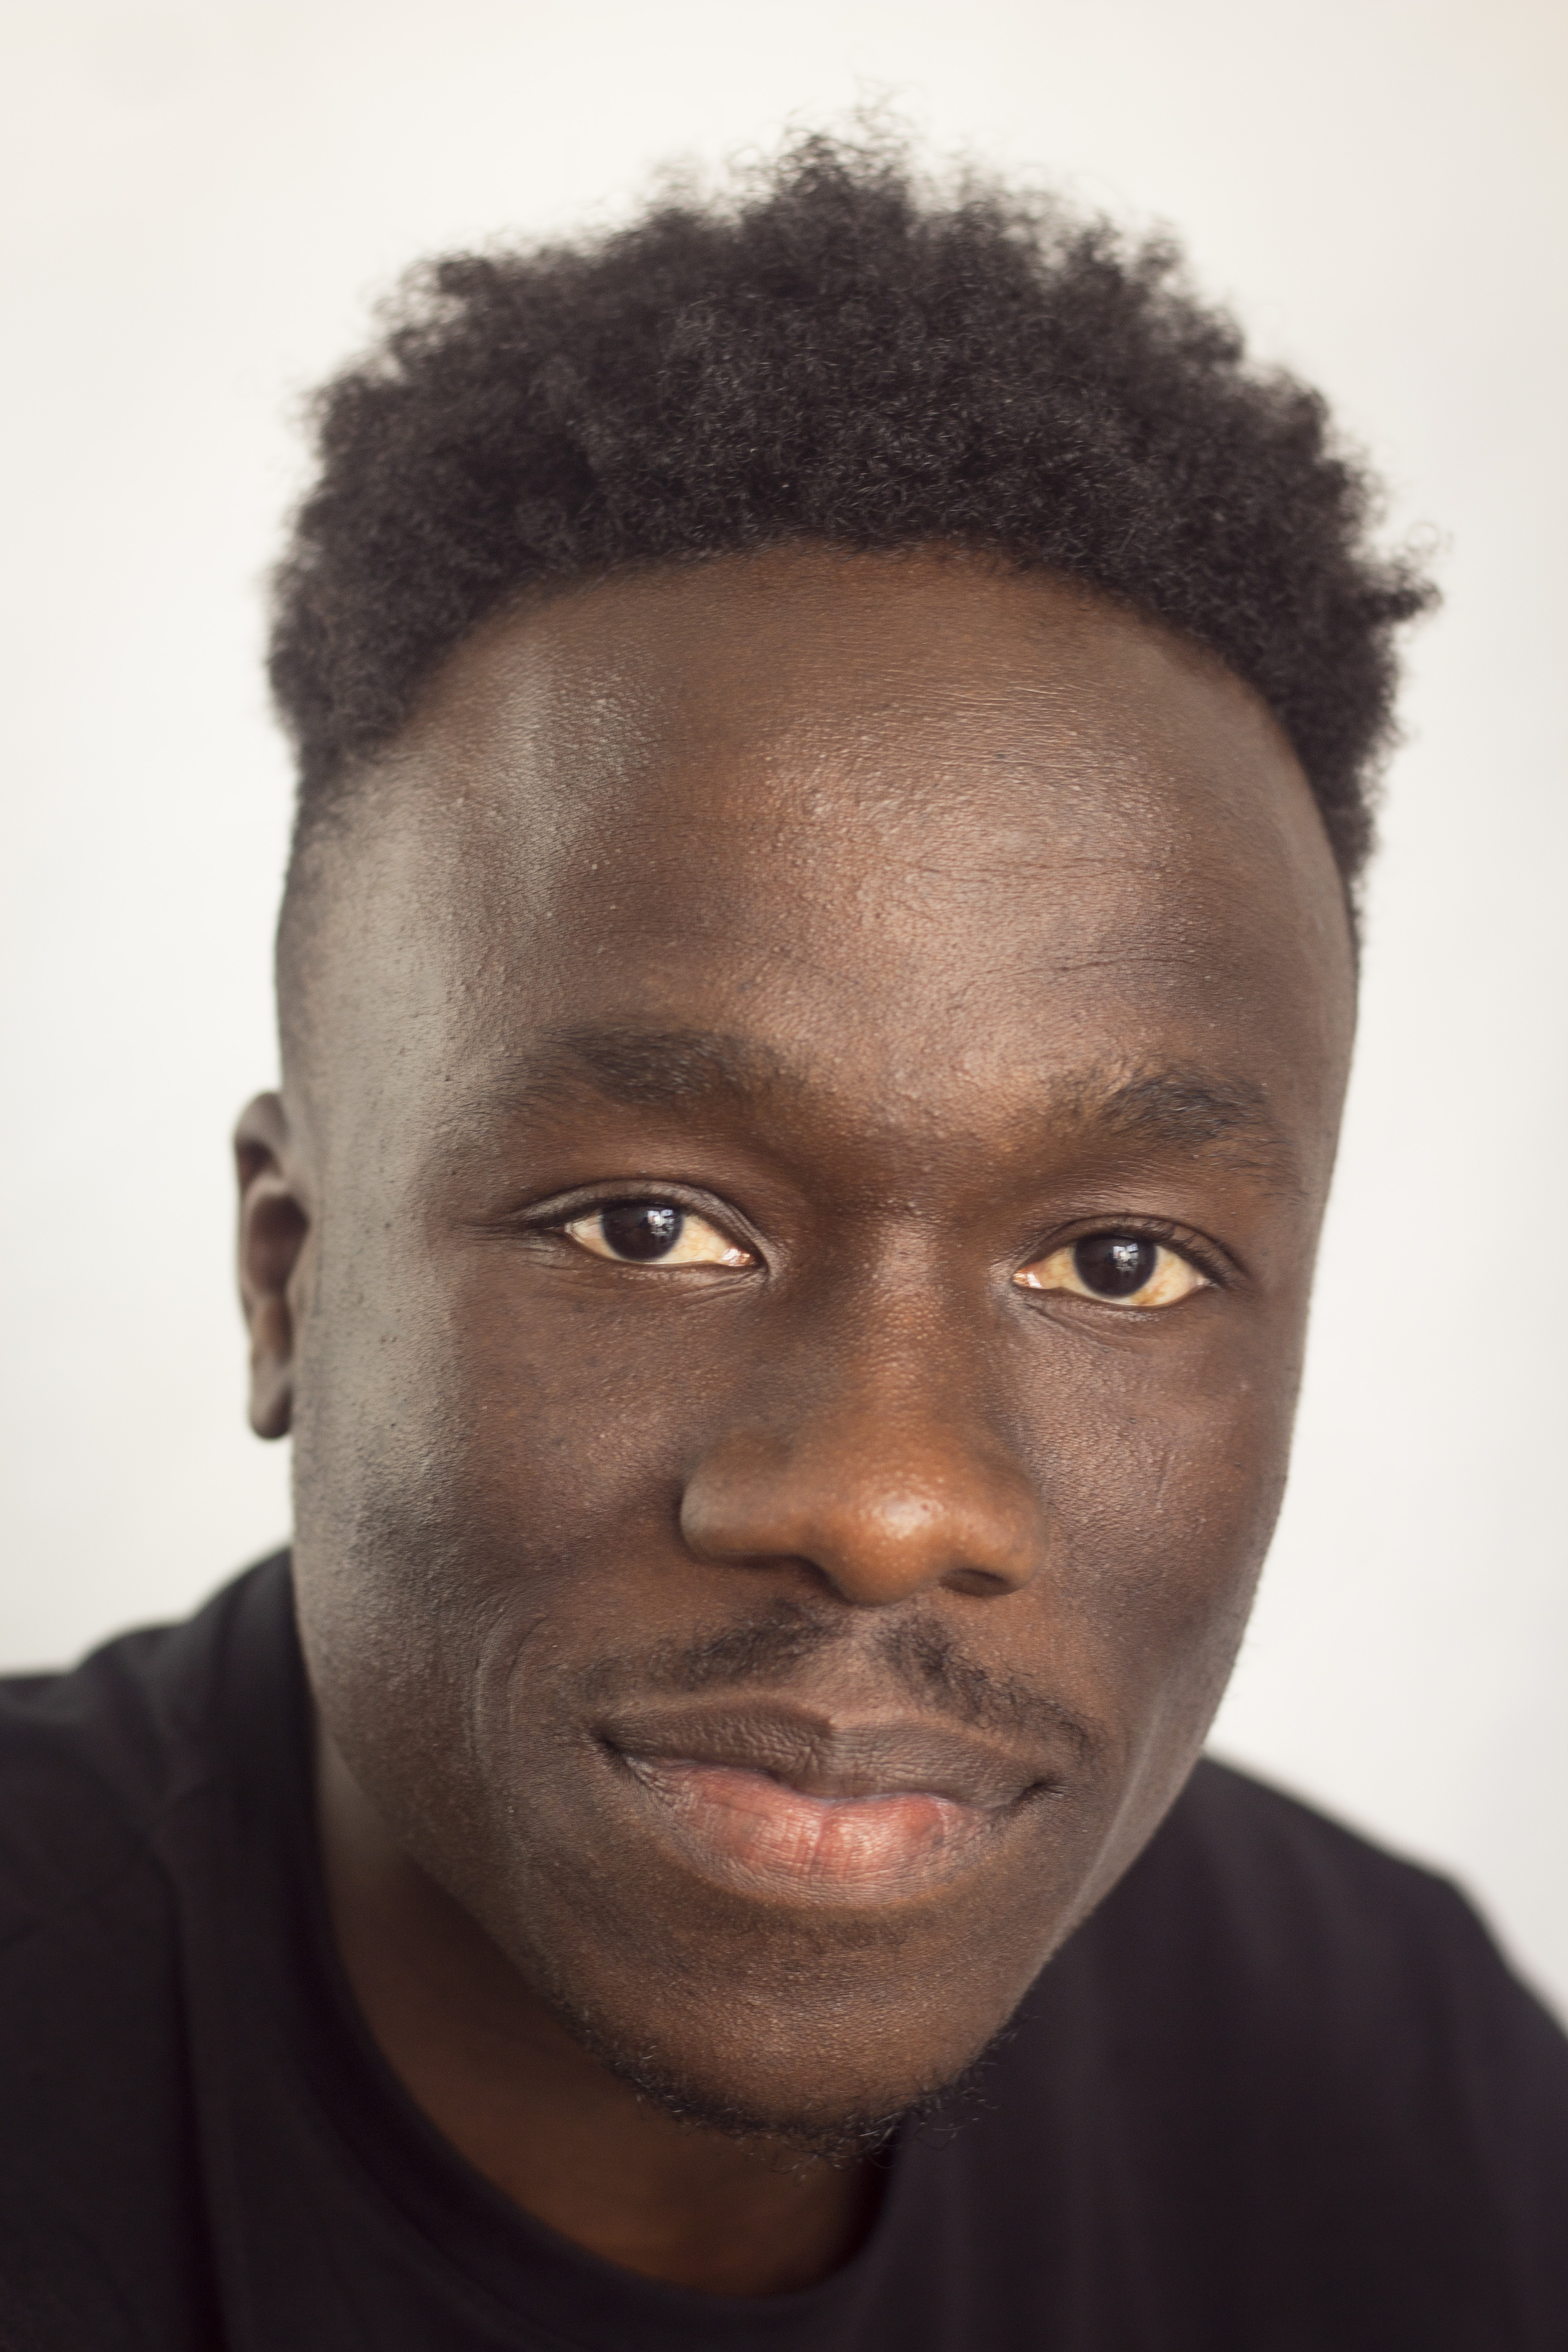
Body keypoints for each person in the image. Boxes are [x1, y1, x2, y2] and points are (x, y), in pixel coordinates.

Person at [2, 131, 1563, 2351]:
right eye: (649, 1226)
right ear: (289, 1272)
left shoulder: (1400, 2089)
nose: (884, 1502)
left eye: (1121, 1263)